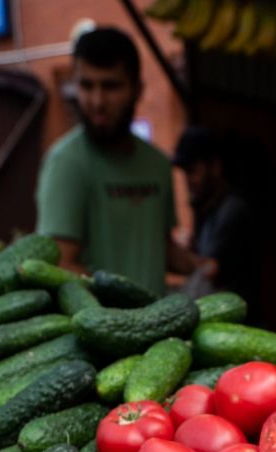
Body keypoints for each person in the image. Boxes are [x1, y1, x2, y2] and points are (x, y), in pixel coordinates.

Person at [36, 27, 209, 294]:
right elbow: (59, 264)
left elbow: (159, 247)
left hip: (156, 328)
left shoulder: (158, 164)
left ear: (137, 89)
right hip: (100, 330)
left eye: (110, 86)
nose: (97, 101)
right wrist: (126, 310)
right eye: (86, 85)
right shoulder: (67, 163)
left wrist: (200, 265)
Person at [172, 126, 257, 299]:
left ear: (215, 167)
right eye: (185, 173)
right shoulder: (206, 209)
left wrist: (176, 256)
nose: (188, 181)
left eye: (193, 171)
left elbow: (211, 269)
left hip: (236, 318)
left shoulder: (232, 211)